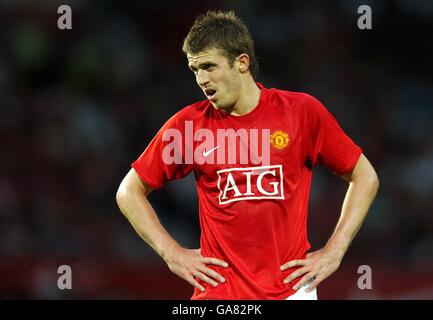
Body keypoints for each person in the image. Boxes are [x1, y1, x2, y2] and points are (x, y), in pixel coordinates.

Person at [116, 10, 379, 300]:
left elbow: (364, 176)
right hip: (219, 295)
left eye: (209, 66)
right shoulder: (189, 125)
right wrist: (172, 253)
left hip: (292, 292)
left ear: (241, 62)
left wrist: (335, 251)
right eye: (194, 70)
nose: (201, 79)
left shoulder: (301, 113)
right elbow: (129, 191)